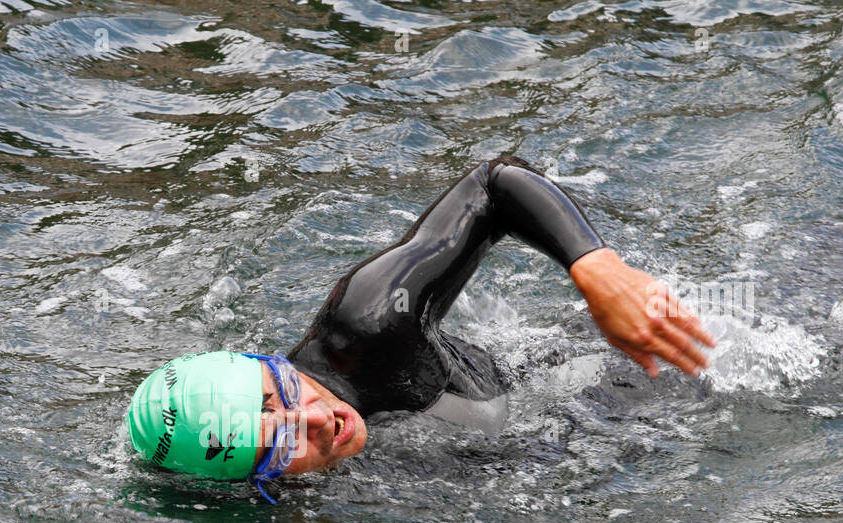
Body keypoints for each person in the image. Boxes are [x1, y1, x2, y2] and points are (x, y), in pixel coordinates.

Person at [125, 155, 716, 502]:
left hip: (622, 365)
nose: (314, 421)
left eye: (279, 395)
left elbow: (492, 184)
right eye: (280, 445)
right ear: (256, 484)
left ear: (264, 364)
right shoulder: (285, 506)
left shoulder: (368, 324)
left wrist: (599, 272)